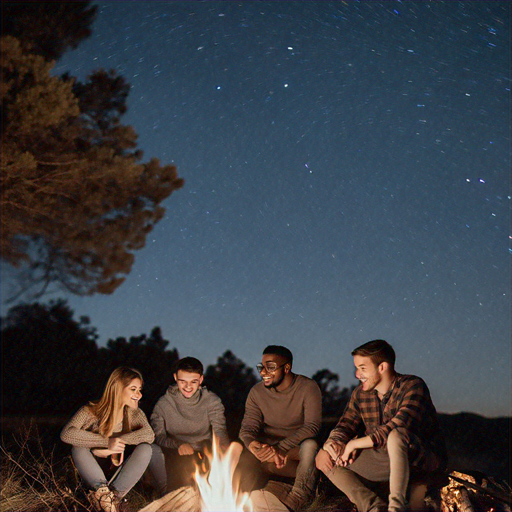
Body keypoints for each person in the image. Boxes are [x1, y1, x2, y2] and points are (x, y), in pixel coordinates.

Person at [315, 339, 447, 512]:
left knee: (396, 435)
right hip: (382, 458)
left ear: (382, 367)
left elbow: (399, 425)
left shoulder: (413, 386)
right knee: (326, 456)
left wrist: (355, 443)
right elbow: (345, 424)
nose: (357, 374)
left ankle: (396, 507)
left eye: (363, 368)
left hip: (420, 460)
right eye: (356, 368)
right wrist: (333, 443)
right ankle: (374, 507)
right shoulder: (361, 394)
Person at [237, 345, 322, 511]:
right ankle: (239, 500)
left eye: (270, 367)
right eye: (261, 367)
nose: (263, 372)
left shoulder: (308, 387)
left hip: (296, 452)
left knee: (311, 446)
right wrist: (252, 445)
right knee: (244, 453)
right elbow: (247, 428)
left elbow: (312, 427)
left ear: (287, 368)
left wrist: (281, 448)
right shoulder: (257, 392)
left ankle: (299, 497)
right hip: (268, 453)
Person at [61, 367, 154, 512]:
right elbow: (67, 434)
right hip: (91, 475)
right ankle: (105, 497)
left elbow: (149, 435)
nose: (139, 394)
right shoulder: (91, 410)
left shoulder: (133, 413)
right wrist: (105, 443)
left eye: (139, 389)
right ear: (118, 389)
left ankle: (110, 500)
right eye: (133, 389)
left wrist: (119, 440)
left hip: (117, 476)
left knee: (146, 448)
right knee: (78, 448)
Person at [148, 356, 230, 494]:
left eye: (193, 381)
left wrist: (223, 450)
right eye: (183, 381)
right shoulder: (163, 404)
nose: (188, 387)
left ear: (201, 380)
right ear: (175, 378)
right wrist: (178, 444)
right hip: (175, 452)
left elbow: (220, 430)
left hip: (204, 452)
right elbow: (158, 436)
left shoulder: (212, 401)